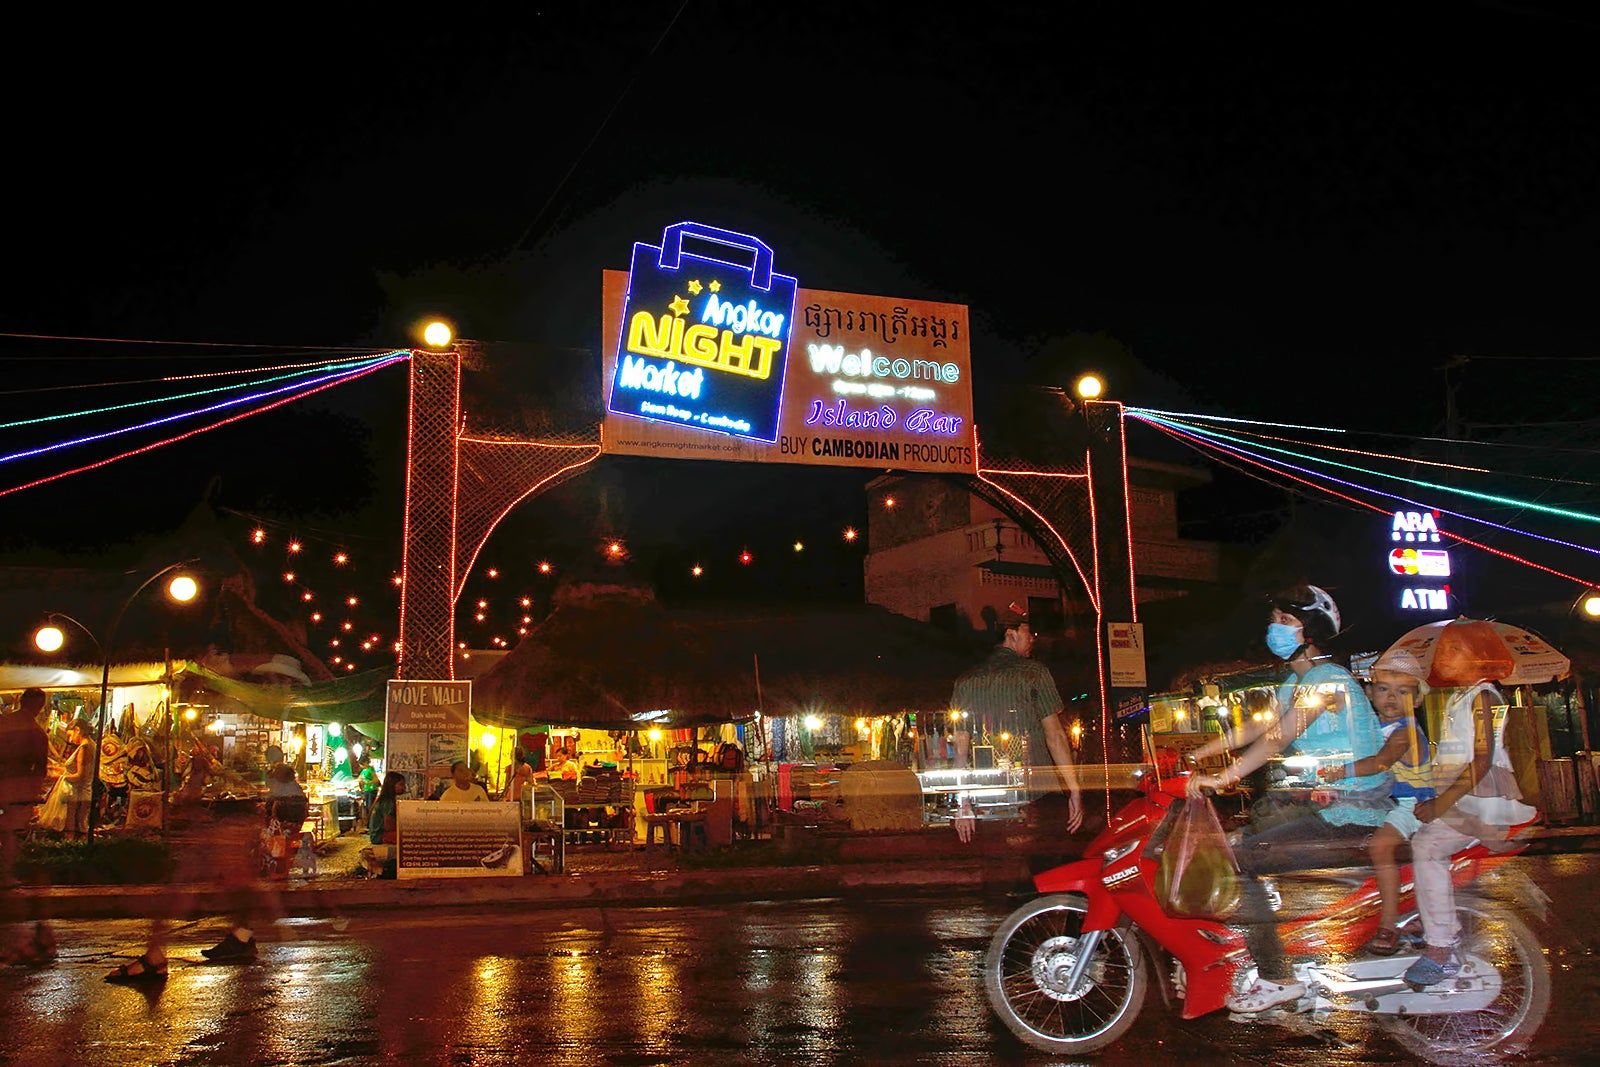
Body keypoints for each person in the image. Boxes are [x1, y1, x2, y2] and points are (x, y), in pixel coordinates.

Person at [1186, 585, 1393, 1013]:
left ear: (1311, 632)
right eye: (1274, 620)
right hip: (1324, 803)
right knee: (1239, 841)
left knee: (1242, 860)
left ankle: (1275, 976)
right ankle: (1262, 941)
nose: (1273, 629)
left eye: (1284, 622)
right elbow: (1258, 727)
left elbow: (1281, 736)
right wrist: (1196, 755)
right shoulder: (1298, 681)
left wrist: (1222, 777)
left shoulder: (1329, 681)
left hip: (1352, 811)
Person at [1403, 678, 1535, 987]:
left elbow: (1482, 757)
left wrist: (1441, 803)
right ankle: (1425, 916)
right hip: (1459, 793)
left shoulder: (1483, 696)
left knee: (1427, 847)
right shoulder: (1460, 696)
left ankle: (1440, 947)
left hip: (1481, 800)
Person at [1316, 649, 1434, 954]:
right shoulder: (1374, 726)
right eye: (1384, 690)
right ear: (1370, 693)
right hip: (1388, 801)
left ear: (1417, 700)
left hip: (1414, 805)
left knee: (1379, 846)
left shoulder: (1405, 731)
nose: (1391, 698)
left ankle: (1389, 922)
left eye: (1402, 692)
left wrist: (1339, 771)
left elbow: (1380, 763)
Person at [949, 603, 1083, 843]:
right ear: (1010, 634)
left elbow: (960, 748)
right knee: (1042, 869)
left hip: (987, 799)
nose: (1033, 638)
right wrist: (1074, 789)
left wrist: (963, 802)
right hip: (1037, 796)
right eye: (1027, 632)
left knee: (999, 871)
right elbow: (1055, 737)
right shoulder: (1035, 673)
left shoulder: (965, 682)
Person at [1, 689, 50, 886]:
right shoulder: (36, 733)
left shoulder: (5, 723)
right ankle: (4, 876)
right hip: (17, 790)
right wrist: (34, 792)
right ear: (40, 707)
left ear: (21, 701)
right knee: (11, 833)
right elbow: (40, 768)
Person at [262, 763, 310, 878]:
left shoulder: (278, 788)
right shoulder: (295, 787)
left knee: (266, 833)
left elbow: (269, 807)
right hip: (298, 823)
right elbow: (305, 804)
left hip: (283, 824)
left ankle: (274, 864)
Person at [360, 771, 406, 878]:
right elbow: (388, 826)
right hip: (380, 836)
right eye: (401, 784)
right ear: (392, 785)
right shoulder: (388, 802)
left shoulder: (384, 799)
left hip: (377, 834)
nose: (404, 787)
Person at [61, 718, 98, 841]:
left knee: (76, 830)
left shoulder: (85, 747)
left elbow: (80, 775)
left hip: (80, 795)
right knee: (79, 827)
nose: (70, 740)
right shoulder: (90, 744)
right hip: (82, 793)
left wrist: (62, 777)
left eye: (70, 735)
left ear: (77, 730)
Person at [357, 757, 379, 822]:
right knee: (367, 807)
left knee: (370, 807)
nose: (361, 766)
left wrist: (368, 782)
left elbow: (376, 780)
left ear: (365, 763)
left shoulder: (370, 769)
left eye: (362, 764)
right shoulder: (363, 771)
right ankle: (368, 823)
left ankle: (372, 822)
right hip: (366, 790)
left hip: (372, 790)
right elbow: (360, 778)